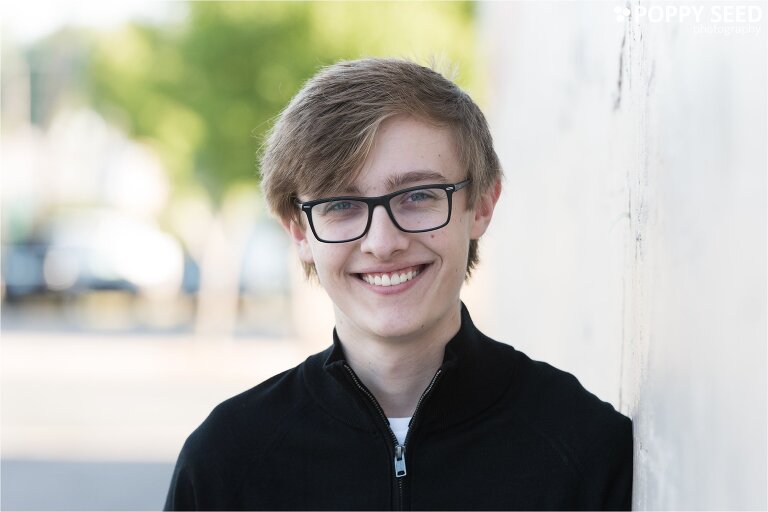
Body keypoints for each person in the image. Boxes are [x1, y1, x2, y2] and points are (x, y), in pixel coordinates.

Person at [164, 58, 633, 511]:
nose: (383, 243)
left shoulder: (584, 448)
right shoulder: (227, 462)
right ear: (300, 232)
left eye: (418, 196)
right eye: (341, 204)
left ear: (482, 205)